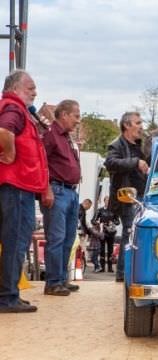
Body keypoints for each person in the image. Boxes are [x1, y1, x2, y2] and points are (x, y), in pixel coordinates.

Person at [0, 70, 48, 313]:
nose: (35, 92)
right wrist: (9, 153)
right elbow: (4, 131)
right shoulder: (14, 108)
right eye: (30, 87)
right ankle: (7, 297)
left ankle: (9, 294)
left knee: (14, 242)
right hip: (17, 187)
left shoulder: (15, 109)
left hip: (17, 187)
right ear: (15, 88)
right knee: (15, 242)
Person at [41, 100, 82, 296]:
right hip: (57, 191)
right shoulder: (51, 135)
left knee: (68, 238)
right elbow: (41, 163)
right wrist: (46, 188)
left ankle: (61, 279)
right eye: (75, 116)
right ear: (64, 114)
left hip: (70, 192)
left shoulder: (65, 137)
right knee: (56, 238)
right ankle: (53, 282)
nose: (78, 121)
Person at [105, 112, 148, 282]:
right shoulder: (116, 146)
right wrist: (135, 162)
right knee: (129, 232)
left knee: (137, 234)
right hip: (127, 198)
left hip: (143, 197)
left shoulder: (140, 145)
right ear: (127, 125)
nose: (141, 126)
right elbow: (111, 163)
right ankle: (122, 274)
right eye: (138, 123)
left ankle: (134, 273)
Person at [92, 196, 119, 272]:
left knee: (110, 250)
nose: (108, 202)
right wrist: (98, 222)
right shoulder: (100, 210)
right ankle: (102, 267)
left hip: (111, 232)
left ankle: (110, 267)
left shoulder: (114, 211)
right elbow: (93, 220)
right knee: (102, 250)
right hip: (103, 232)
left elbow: (118, 222)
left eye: (109, 201)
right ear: (104, 201)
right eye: (107, 200)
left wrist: (113, 222)